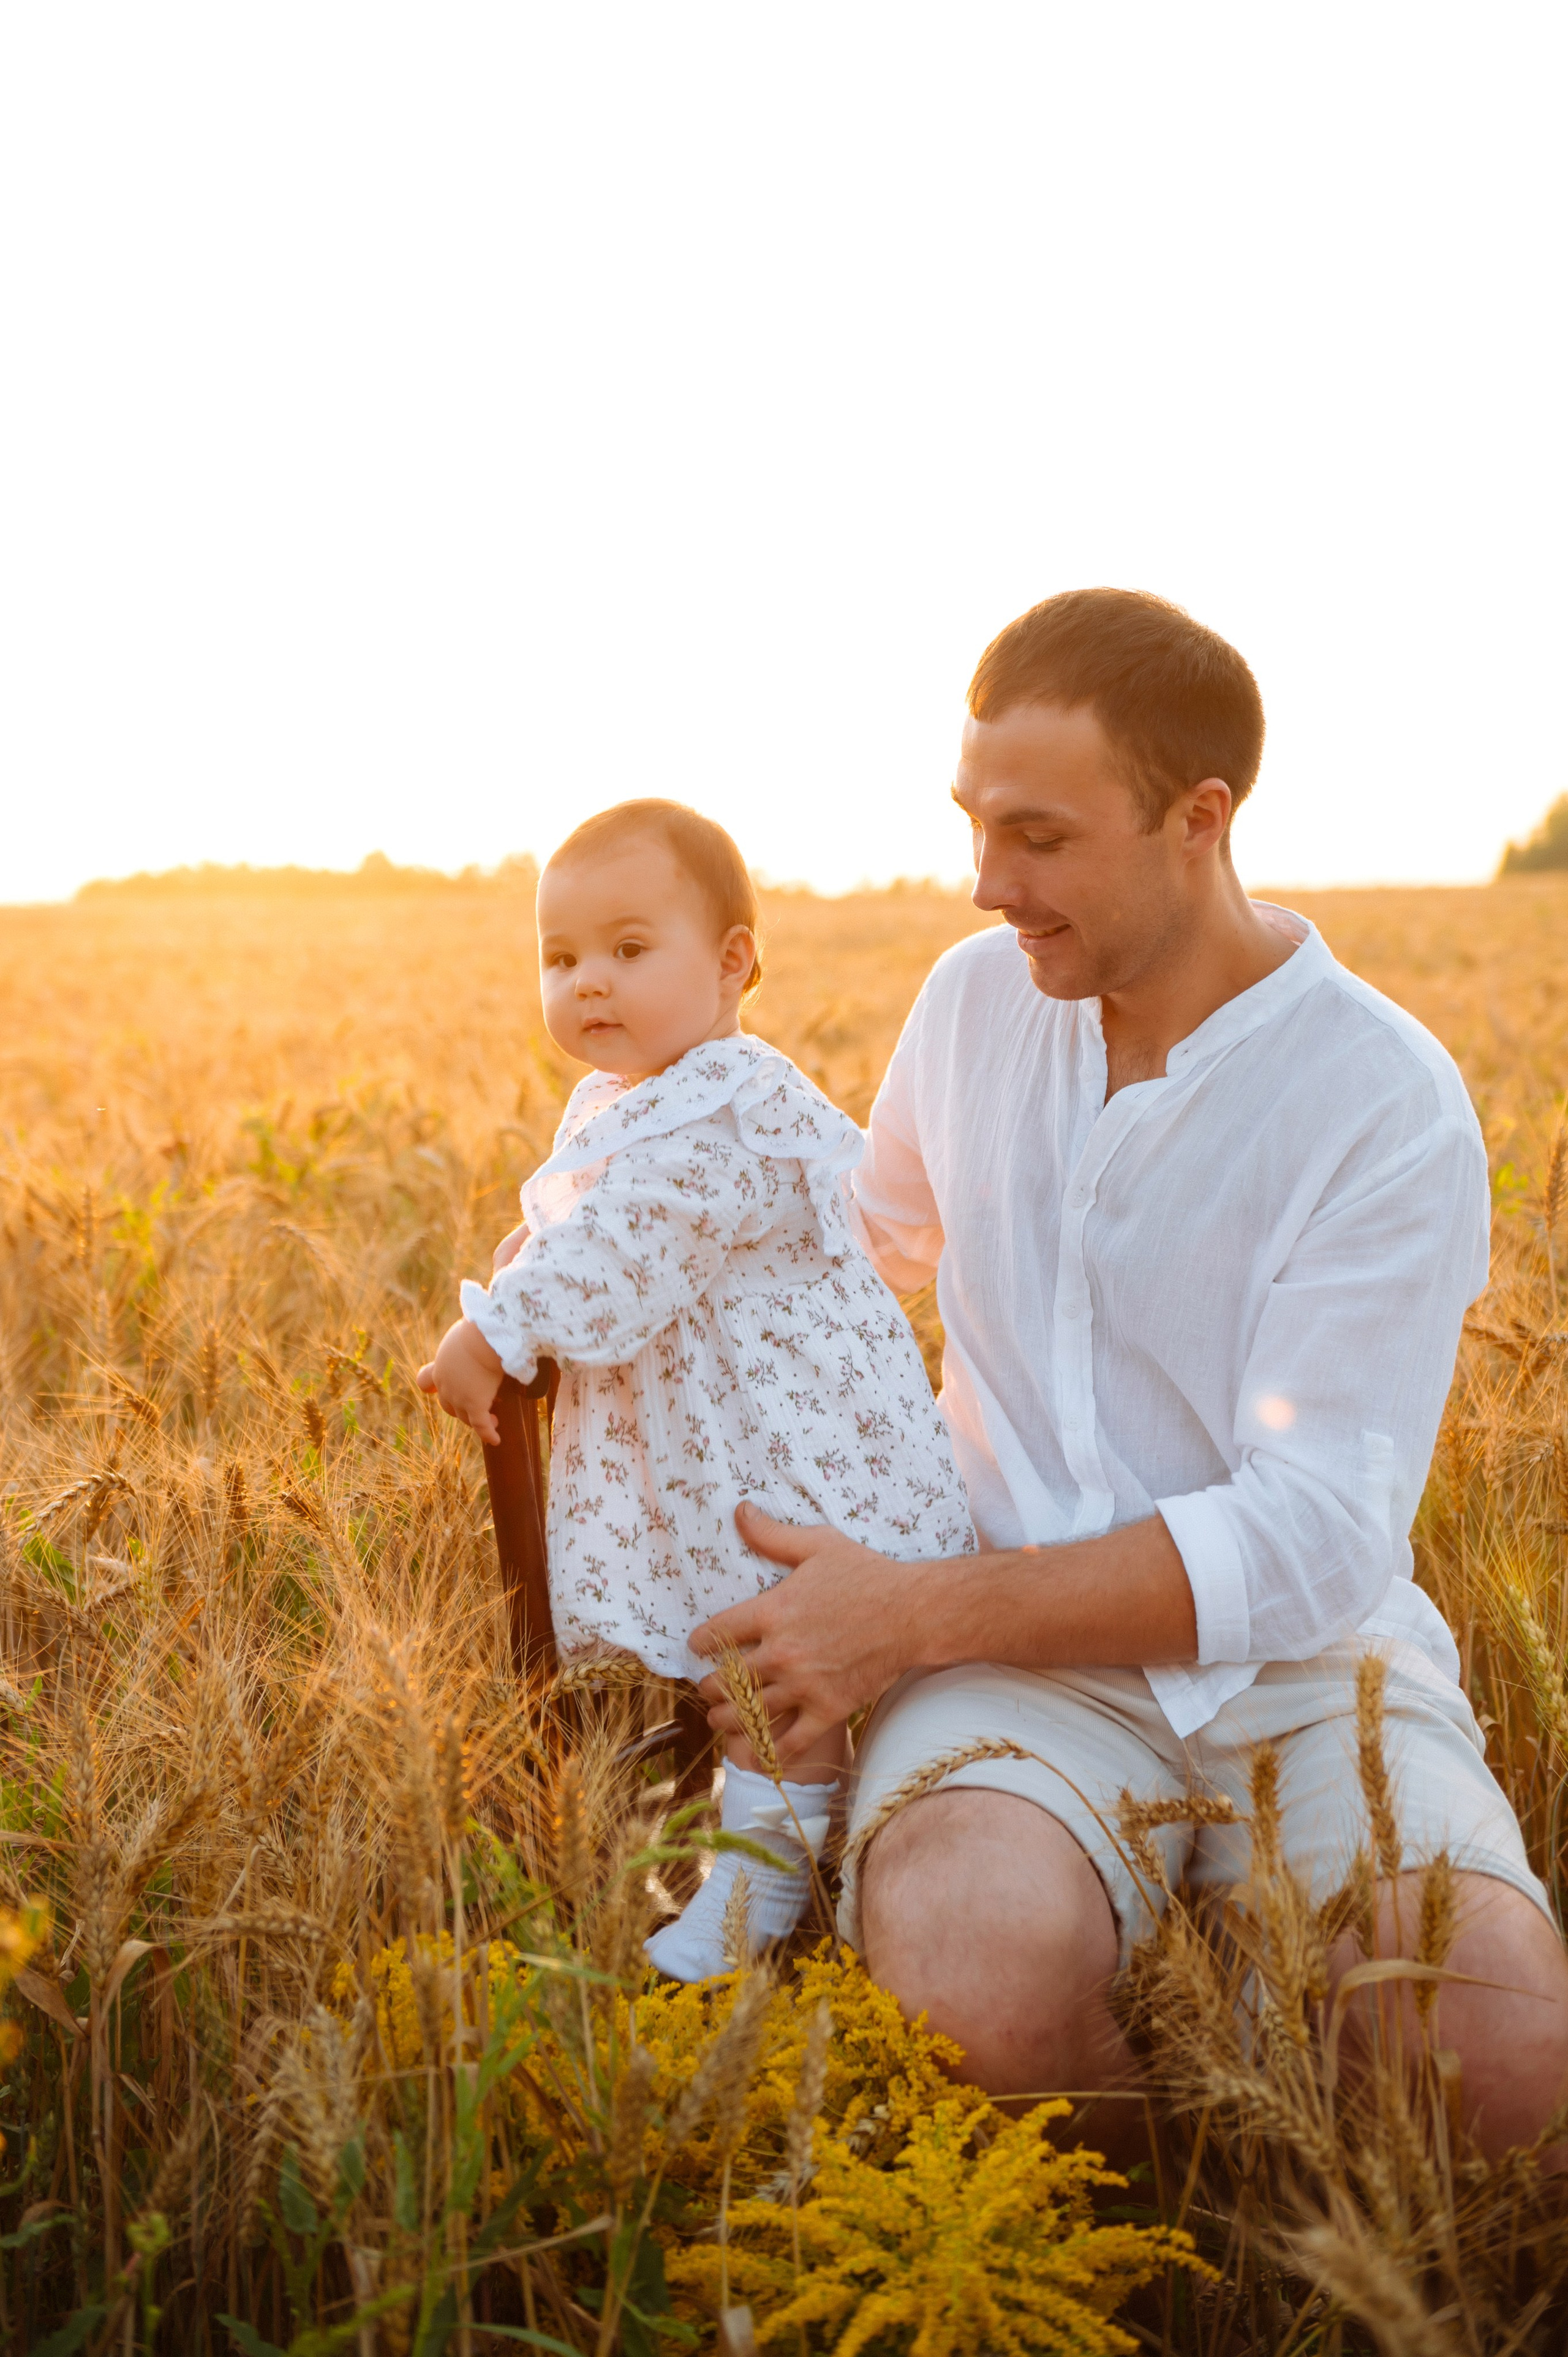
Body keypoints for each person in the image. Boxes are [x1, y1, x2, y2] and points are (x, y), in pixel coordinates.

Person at [691, 589, 1568, 2158]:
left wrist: (903, 1614)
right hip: (1007, 1673)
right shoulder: (970, 1004)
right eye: (972, 824)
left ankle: (1272, 2096)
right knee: (970, 1979)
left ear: (1197, 819)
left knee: (1497, 2060)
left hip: (1307, 1674)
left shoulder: (1380, 1101)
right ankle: (1161, 2232)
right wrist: (603, 1233)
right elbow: (857, 1239)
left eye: (1036, 837)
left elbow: (1311, 1539)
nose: (986, 883)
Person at [417, 798, 974, 1982]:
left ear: (733, 964)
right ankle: (787, 1846)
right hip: (715, 1438)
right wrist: (534, 1254)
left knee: (764, 1658)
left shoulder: (728, 1106)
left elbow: (633, 1242)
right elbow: (596, 1217)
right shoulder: (643, 1095)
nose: (588, 981)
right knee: (738, 1662)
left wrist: (496, 1326)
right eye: (561, 958)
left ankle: (764, 1886)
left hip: (781, 1453)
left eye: (628, 949)